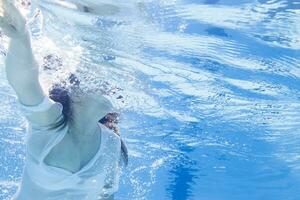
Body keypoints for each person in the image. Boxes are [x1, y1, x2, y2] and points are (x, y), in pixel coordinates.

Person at [0, 1, 127, 199]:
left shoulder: (111, 144)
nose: (110, 85)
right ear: (74, 93)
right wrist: (21, 36)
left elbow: (107, 196)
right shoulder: (50, 127)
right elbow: (25, 84)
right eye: (101, 82)